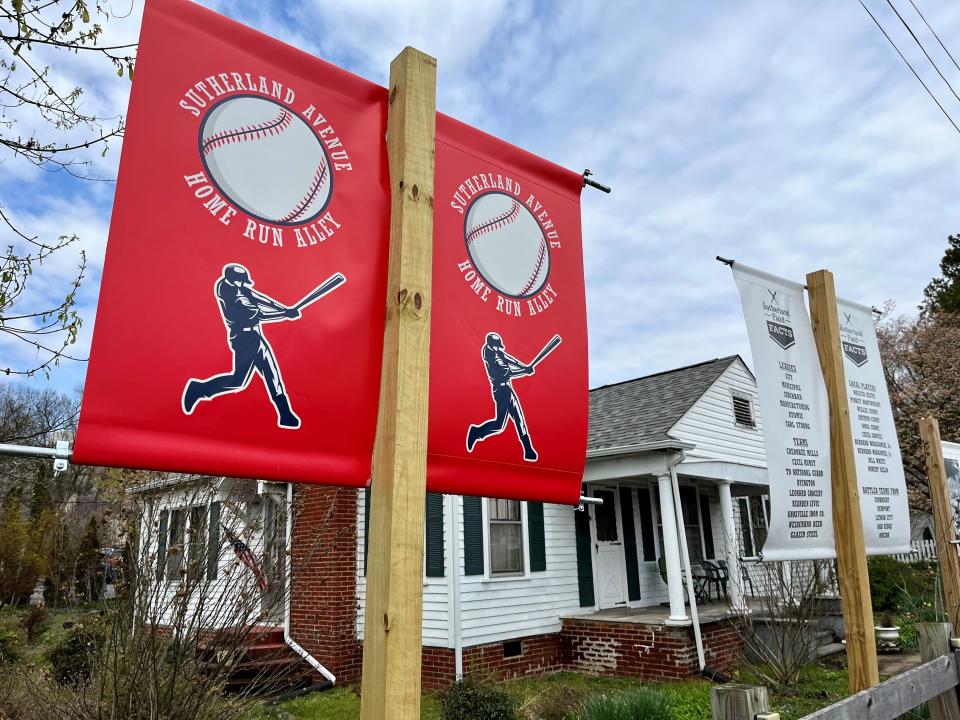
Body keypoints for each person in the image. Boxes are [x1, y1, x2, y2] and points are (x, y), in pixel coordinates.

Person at [182, 263, 301, 428]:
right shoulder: (231, 295)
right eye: (240, 281)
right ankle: (199, 389)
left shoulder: (237, 287)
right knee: (239, 381)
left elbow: (259, 298)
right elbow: (259, 316)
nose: (243, 284)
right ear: (233, 281)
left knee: (272, 374)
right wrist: (285, 314)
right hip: (243, 338)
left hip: (256, 336)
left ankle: (285, 414)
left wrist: (284, 309)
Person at [466, 332, 538, 461]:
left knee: (519, 418)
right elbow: (508, 374)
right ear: (491, 345)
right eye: (496, 346)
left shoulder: (494, 350)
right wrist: (524, 371)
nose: (498, 348)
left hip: (507, 389)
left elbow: (509, 358)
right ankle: (477, 432)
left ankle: (528, 449)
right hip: (501, 391)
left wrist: (524, 366)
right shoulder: (491, 358)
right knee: (499, 425)